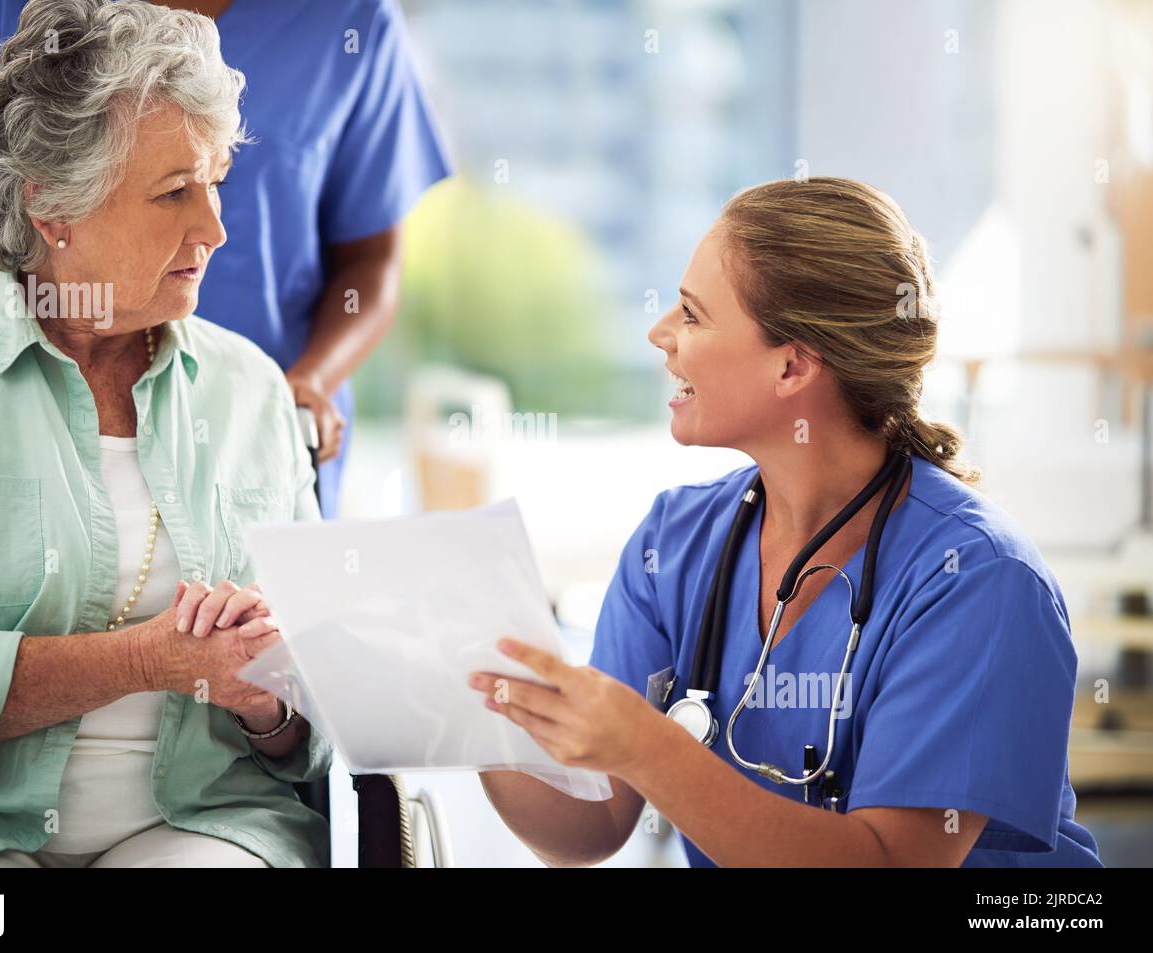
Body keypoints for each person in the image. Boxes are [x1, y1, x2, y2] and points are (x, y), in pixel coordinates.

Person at [468, 178, 1103, 867]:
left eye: (691, 314)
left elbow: (891, 862)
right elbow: (590, 824)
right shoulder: (673, 544)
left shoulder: (977, 579)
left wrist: (652, 748)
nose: (659, 335)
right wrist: (465, 704)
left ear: (793, 365)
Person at [0, 0, 330, 867]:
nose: (215, 229)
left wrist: (270, 696)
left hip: (203, 825)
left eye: (216, 180)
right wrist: (145, 659)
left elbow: (324, 714)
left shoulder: (254, 392)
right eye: (174, 191)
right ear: (51, 205)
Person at [0, 0, 452, 517]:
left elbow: (371, 262)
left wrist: (307, 382)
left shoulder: (347, 21)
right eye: (173, 192)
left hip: (248, 440)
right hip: (25, 409)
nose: (214, 232)